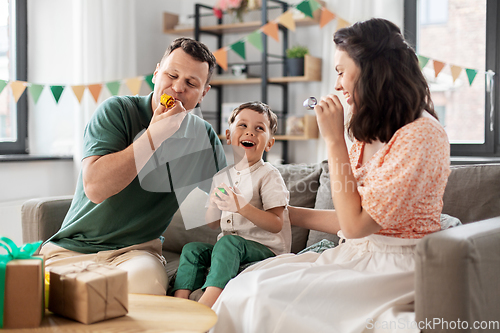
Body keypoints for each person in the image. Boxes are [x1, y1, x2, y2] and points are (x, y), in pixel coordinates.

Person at [210, 18, 450, 333]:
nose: (336, 85)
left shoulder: (421, 135)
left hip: (394, 267)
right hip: (355, 254)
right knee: (247, 285)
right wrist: (283, 213)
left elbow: (355, 225)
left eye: (340, 71)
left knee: (263, 296)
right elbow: (348, 218)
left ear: (371, 69)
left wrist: (334, 140)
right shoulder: (373, 134)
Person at [39, 37, 227, 296]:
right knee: (52, 298)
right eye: (172, 75)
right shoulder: (116, 111)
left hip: (137, 253)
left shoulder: (204, 137)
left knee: (144, 290)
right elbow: (95, 188)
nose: (177, 87)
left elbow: (221, 212)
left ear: (203, 93)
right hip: (73, 248)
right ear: (156, 73)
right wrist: (154, 136)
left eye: (191, 83)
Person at [172, 101, 291, 308]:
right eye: (242, 126)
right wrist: (212, 206)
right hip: (230, 247)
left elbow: (276, 224)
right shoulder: (221, 177)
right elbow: (212, 224)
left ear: (269, 143)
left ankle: (207, 303)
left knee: (227, 243)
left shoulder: (268, 174)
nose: (250, 132)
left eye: (259, 128)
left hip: (266, 249)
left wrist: (242, 206)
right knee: (193, 249)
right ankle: (179, 302)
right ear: (229, 135)